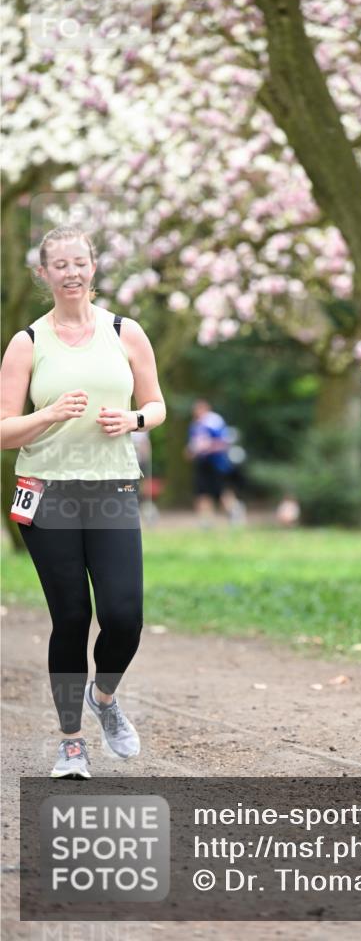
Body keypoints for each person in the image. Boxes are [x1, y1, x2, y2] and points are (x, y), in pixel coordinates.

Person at [0, 225, 166, 778]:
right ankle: (72, 742)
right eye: (59, 264)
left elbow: (156, 404)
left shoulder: (126, 331)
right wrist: (47, 415)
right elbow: (4, 429)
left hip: (113, 487)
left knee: (125, 618)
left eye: (80, 262)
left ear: (94, 268)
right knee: (71, 617)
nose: (71, 272)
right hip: (47, 493)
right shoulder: (27, 341)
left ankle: (105, 696)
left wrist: (135, 420)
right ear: (43, 274)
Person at [186, 399, 246, 525]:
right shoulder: (195, 425)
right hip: (202, 463)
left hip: (216, 463)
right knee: (201, 492)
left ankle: (234, 512)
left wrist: (208, 446)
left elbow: (224, 443)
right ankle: (206, 521)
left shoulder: (214, 422)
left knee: (221, 491)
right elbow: (193, 445)